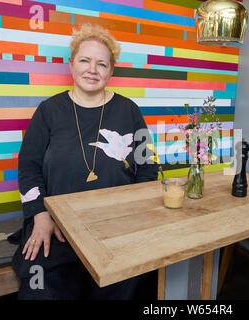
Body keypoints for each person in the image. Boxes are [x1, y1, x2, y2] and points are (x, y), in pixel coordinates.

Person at [11, 24, 158, 300]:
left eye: (102, 64)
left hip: (115, 229)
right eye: (85, 60)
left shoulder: (129, 111)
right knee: (42, 291)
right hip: (56, 228)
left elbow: (148, 169)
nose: (93, 69)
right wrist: (39, 215)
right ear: (71, 65)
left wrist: (133, 215)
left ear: (111, 71)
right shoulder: (48, 111)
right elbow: (28, 167)